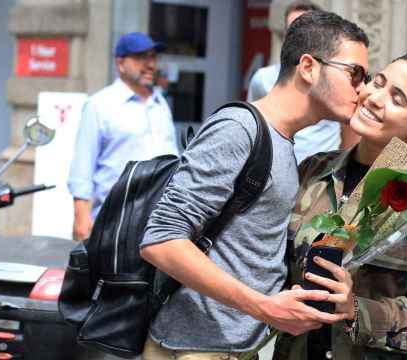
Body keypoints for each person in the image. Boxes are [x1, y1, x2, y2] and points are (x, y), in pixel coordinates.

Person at [139, 11, 370, 360]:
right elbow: (161, 240)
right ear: (308, 67)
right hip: (193, 349)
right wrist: (263, 307)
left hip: (233, 349)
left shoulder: (284, 142)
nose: (363, 88)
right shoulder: (239, 128)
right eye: (355, 73)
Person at [274, 51, 407, 360]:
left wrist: (357, 309)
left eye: (397, 99)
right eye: (377, 82)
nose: (375, 98)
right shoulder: (313, 171)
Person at [68, 32, 178, 241]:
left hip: (160, 221)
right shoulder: (100, 105)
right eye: (140, 58)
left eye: (153, 57)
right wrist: (81, 217)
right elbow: (83, 165)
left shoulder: (160, 104)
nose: (150, 65)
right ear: (120, 64)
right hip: (114, 220)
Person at [247, 1, 360, 163]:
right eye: (291, 31)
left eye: (304, 31)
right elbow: (254, 126)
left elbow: (350, 129)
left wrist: (337, 172)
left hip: (319, 177)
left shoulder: (335, 80)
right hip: (275, 173)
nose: (297, 38)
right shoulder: (262, 78)